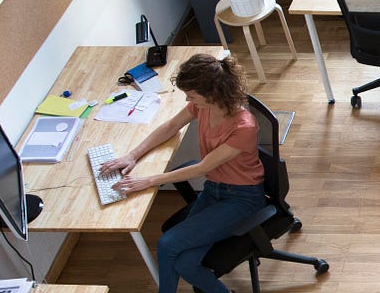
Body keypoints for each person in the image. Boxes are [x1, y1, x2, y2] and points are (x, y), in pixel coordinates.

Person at [100, 54, 264, 293]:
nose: (188, 99)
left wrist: (148, 181)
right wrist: (132, 155)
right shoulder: (203, 106)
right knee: (186, 263)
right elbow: (170, 127)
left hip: (242, 198)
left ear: (213, 93)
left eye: (192, 95)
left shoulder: (243, 127)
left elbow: (202, 167)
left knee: (167, 244)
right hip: (215, 189)